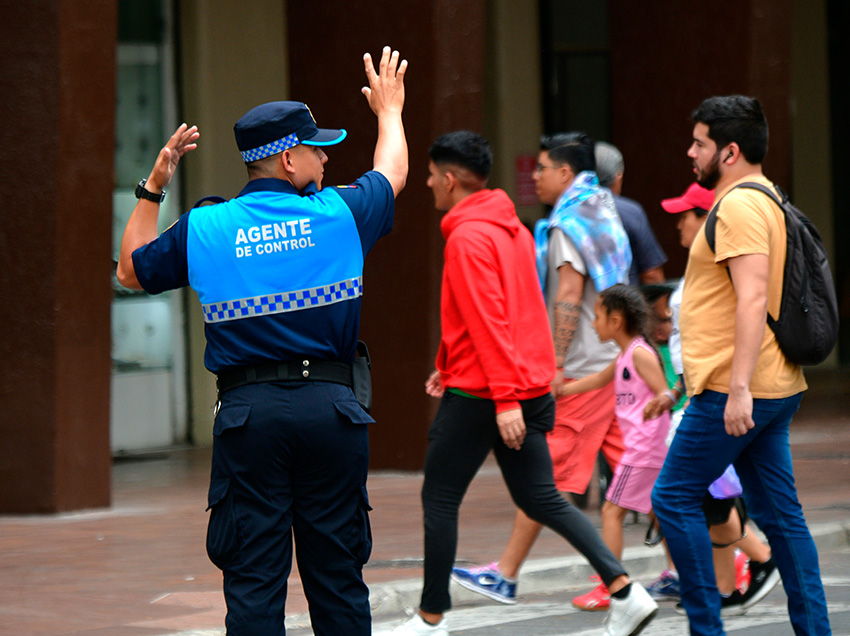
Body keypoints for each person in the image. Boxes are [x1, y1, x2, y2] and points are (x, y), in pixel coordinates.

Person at [116, 47, 408, 636]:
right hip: (332, 412)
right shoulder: (337, 215)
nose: (325, 158)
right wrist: (390, 110)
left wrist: (153, 187)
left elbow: (128, 271)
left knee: (253, 583)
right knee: (338, 579)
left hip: (250, 419)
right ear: (287, 157)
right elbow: (393, 173)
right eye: (316, 148)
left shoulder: (206, 227)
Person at [391, 131, 657, 636]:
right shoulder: (509, 224)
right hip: (522, 385)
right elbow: (511, 310)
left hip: (488, 394)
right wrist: (450, 364)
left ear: (449, 180)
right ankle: (626, 592)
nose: (426, 184)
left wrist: (504, 398)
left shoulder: (469, 235)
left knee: (440, 498)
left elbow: (490, 319)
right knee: (542, 497)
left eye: (429, 176)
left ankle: (429, 620)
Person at [650, 95, 831, 635]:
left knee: (672, 494)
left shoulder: (739, 206)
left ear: (728, 151)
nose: (691, 152)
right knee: (779, 517)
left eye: (699, 143)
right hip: (762, 385)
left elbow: (752, 299)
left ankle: (707, 627)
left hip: (740, 388)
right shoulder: (763, 198)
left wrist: (738, 391)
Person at [451, 132, 633, 613]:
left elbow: (568, 296)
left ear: (566, 174)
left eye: (544, 167)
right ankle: (736, 557)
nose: (535, 175)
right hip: (616, 361)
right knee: (645, 478)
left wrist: (553, 365)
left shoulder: (570, 224)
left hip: (583, 370)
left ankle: (507, 574)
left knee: (544, 480)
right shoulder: (603, 208)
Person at [643, 183, 778, 615]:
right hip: (701, 395)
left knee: (681, 494)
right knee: (713, 496)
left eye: (686, 215)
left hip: (717, 397)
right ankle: (725, 585)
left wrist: (729, 389)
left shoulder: (715, 270)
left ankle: (746, 567)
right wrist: (676, 392)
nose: (680, 223)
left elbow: (724, 333)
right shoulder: (695, 274)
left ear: (707, 220)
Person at [556, 284, 671, 610]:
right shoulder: (626, 353)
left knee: (611, 510)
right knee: (663, 511)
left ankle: (612, 586)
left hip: (643, 450)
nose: (592, 324)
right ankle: (697, 569)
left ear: (616, 321)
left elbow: (665, 393)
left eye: (597, 317)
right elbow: (595, 381)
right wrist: (556, 391)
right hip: (647, 449)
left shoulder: (638, 354)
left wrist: (659, 402)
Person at [595, 141, 667, 286]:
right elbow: (651, 274)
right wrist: (663, 309)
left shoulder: (567, 211)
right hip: (622, 303)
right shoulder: (630, 212)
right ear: (618, 177)